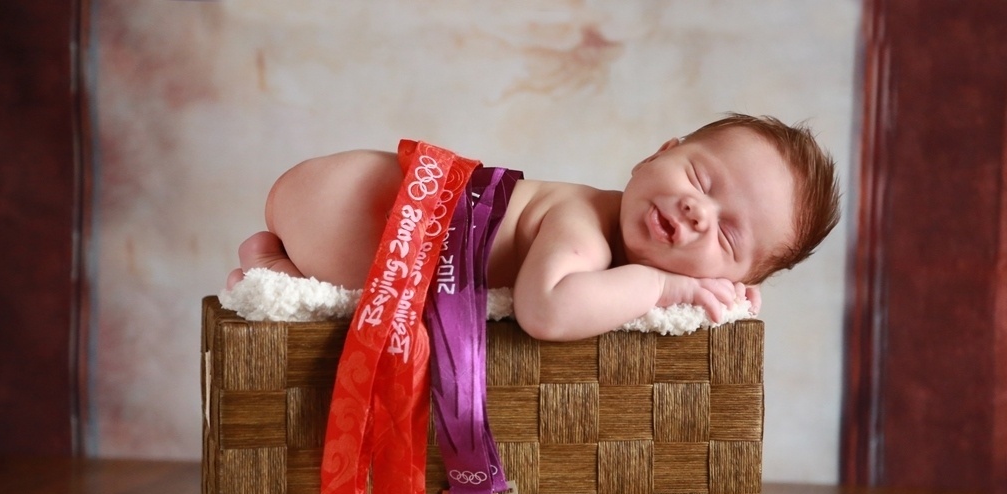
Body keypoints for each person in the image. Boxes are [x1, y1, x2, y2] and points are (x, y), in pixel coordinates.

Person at [226, 113, 840, 341]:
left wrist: (723, 300)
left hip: (333, 191)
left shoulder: (605, 235)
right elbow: (546, 311)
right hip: (355, 204)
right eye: (701, 182)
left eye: (729, 239)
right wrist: (662, 287)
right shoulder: (583, 226)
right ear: (657, 154)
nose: (696, 212)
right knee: (369, 268)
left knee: (341, 276)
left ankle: (280, 260)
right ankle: (296, 256)